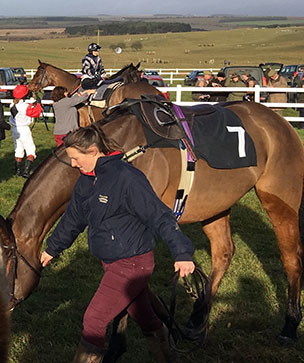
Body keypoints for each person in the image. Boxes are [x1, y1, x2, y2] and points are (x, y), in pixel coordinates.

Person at [40, 124, 195, 363]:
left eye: (75, 158)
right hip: (111, 262)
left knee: (94, 320)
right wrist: (52, 248)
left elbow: (159, 215)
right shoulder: (85, 180)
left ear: (93, 151)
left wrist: (182, 252)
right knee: (144, 316)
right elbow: (73, 218)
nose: (72, 164)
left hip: (132, 264)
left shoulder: (127, 178)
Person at [9, 85, 42, 178]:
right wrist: (38, 102)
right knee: (31, 150)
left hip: (15, 129)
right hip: (24, 129)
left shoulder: (12, 104)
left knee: (18, 149)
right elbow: (36, 113)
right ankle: (26, 172)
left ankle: (18, 171)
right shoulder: (25, 106)